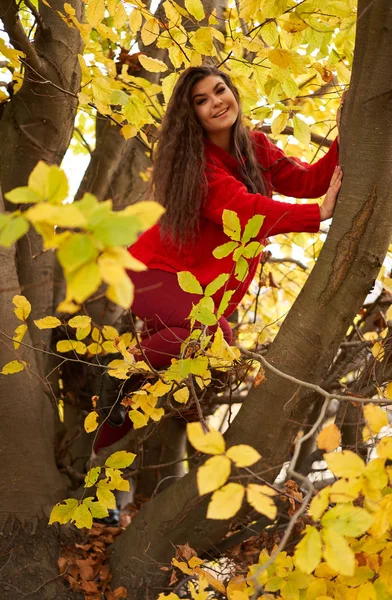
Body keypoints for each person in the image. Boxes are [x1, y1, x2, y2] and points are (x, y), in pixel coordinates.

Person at [94, 65, 343, 455]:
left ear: (234, 93)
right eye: (201, 101)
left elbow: (309, 180)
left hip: (189, 288)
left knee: (144, 392)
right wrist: (316, 215)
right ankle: (118, 370)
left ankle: (97, 450)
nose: (215, 103)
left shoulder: (256, 147)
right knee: (215, 336)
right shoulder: (199, 166)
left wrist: (348, 132)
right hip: (151, 276)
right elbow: (243, 210)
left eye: (219, 91)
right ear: (191, 114)